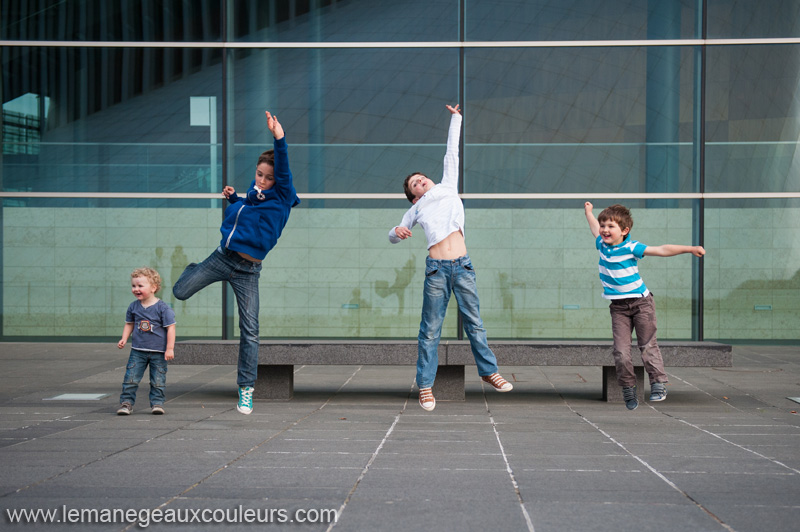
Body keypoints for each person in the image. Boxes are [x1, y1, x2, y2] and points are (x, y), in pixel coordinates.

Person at [173, 111, 300, 415]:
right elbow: (246, 211)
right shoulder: (252, 196)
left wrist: (279, 137)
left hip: (247, 272)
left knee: (250, 329)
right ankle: (194, 269)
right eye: (260, 174)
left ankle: (246, 388)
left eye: (269, 177)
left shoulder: (282, 196)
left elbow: (281, 169)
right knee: (180, 291)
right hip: (221, 258)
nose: (264, 180)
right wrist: (234, 199)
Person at [389, 104, 513, 412]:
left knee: (475, 322)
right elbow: (394, 234)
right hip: (437, 271)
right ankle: (426, 387)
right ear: (413, 195)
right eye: (414, 183)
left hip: (463, 265)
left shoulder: (447, 186)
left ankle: (489, 372)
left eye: (422, 178)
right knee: (430, 328)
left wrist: (456, 118)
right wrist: (396, 231)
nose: (421, 181)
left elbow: (451, 153)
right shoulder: (416, 209)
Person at [584, 202, 706, 410]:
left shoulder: (632, 247)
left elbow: (661, 250)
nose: (604, 229)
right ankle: (628, 388)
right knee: (621, 352)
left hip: (642, 303)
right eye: (604, 225)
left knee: (647, 345)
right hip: (619, 308)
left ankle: (658, 383)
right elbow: (594, 227)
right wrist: (589, 213)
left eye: (611, 226)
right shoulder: (601, 244)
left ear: (624, 231)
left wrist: (690, 249)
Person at [117, 267, 176, 415]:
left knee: (158, 380)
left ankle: (157, 403)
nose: (136, 289)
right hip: (138, 350)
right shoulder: (133, 306)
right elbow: (129, 323)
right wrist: (124, 338)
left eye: (140, 286)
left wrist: (170, 348)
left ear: (153, 288)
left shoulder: (163, 308)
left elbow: (171, 328)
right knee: (130, 378)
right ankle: (126, 403)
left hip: (159, 352)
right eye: (133, 286)